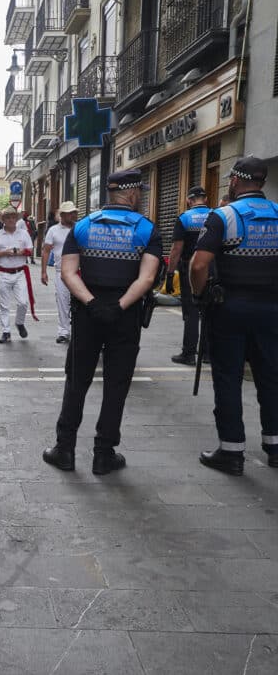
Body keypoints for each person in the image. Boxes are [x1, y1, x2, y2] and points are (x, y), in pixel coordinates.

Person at [43, 169, 162, 475]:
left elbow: (68, 273)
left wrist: (93, 303)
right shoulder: (146, 229)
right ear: (133, 194)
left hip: (87, 314)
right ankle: (103, 454)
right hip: (125, 315)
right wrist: (118, 306)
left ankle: (64, 449)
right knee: (116, 383)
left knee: (77, 380)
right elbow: (147, 278)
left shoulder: (82, 226)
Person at [190, 156, 278, 476]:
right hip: (271, 309)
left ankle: (231, 450)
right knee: (272, 376)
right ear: (263, 183)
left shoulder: (223, 216)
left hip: (230, 308)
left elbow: (199, 265)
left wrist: (200, 295)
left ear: (236, 182)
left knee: (228, 377)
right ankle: (275, 446)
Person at [166, 186, 211, 365]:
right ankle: (206, 353)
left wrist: (170, 275)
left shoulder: (184, 218)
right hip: (211, 269)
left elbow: (176, 249)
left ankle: (189, 353)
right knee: (208, 311)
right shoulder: (216, 215)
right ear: (205, 199)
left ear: (189, 200)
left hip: (190, 270)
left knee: (191, 312)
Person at [0, 206, 34, 343]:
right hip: (3, 273)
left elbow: (30, 250)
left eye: (13, 217)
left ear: (16, 219)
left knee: (23, 302)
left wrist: (20, 252)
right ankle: (6, 331)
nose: (11, 220)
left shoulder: (23, 234)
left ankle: (19, 322)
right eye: (8, 218)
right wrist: (5, 252)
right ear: (3, 220)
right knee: (4, 305)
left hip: (19, 272)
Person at [42, 201, 77, 344]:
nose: (73, 215)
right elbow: (46, 251)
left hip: (79, 272)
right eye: (70, 213)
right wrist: (43, 272)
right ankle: (64, 331)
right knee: (62, 301)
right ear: (62, 215)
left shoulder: (79, 228)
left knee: (79, 302)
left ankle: (78, 330)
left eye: (74, 212)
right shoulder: (53, 230)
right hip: (61, 271)